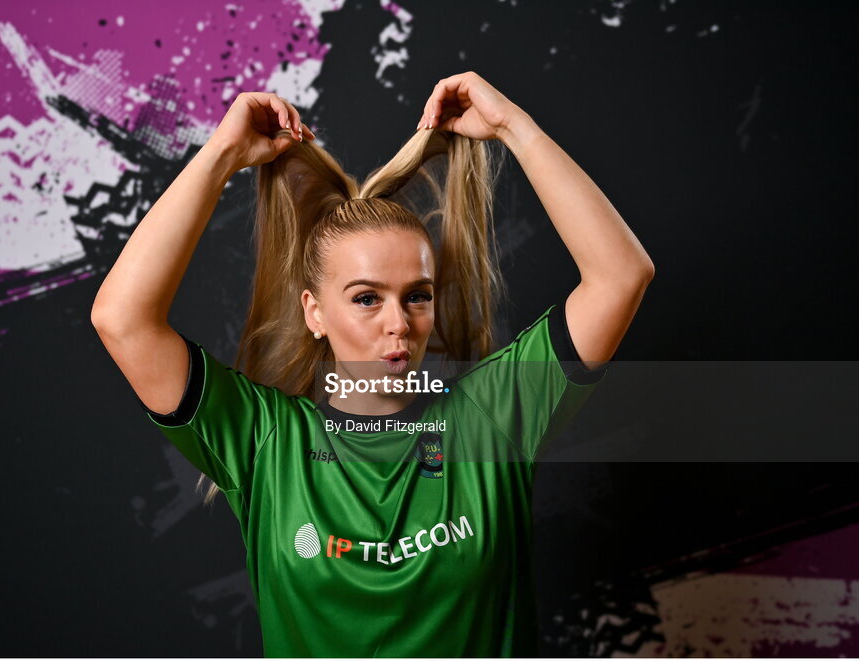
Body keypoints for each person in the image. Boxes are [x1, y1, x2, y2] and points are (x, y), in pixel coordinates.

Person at [91, 71, 654, 657]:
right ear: (315, 312)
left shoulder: (493, 418)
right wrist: (221, 155)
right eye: (366, 298)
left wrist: (515, 126)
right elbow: (122, 319)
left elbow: (621, 276)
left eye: (417, 295)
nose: (398, 323)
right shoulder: (262, 441)